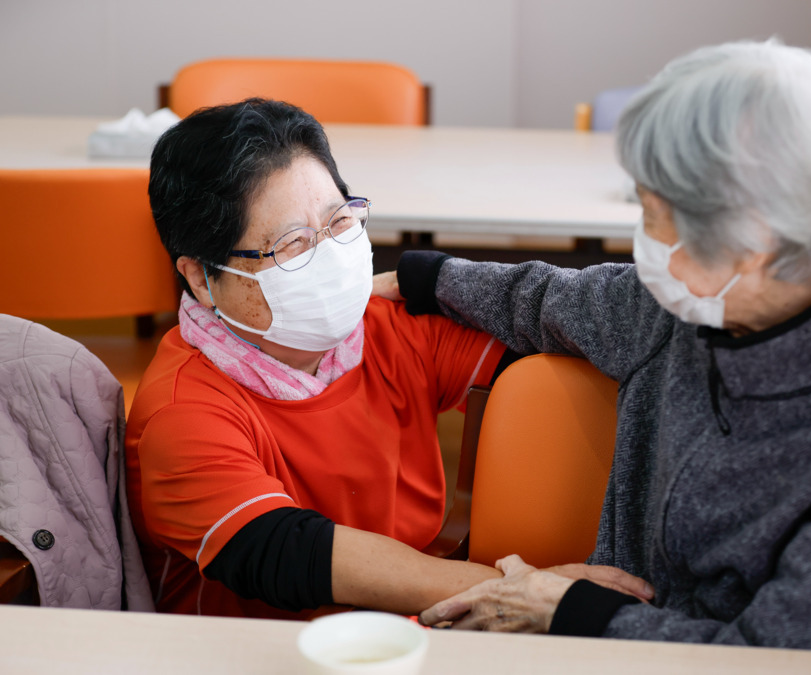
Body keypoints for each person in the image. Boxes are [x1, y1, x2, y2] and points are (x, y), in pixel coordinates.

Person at [374, 41, 811, 653]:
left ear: (755, 241)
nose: (642, 238)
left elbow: (781, 656)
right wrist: (420, 278)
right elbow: (545, 298)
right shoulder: (686, 303)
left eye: (656, 213)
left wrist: (571, 610)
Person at [126, 99, 649, 619]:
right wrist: (519, 591)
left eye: (339, 222)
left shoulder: (381, 327)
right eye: (292, 244)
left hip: (404, 630)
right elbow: (288, 555)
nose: (330, 255)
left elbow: (545, 369)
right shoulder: (183, 413)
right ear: (201, 277)